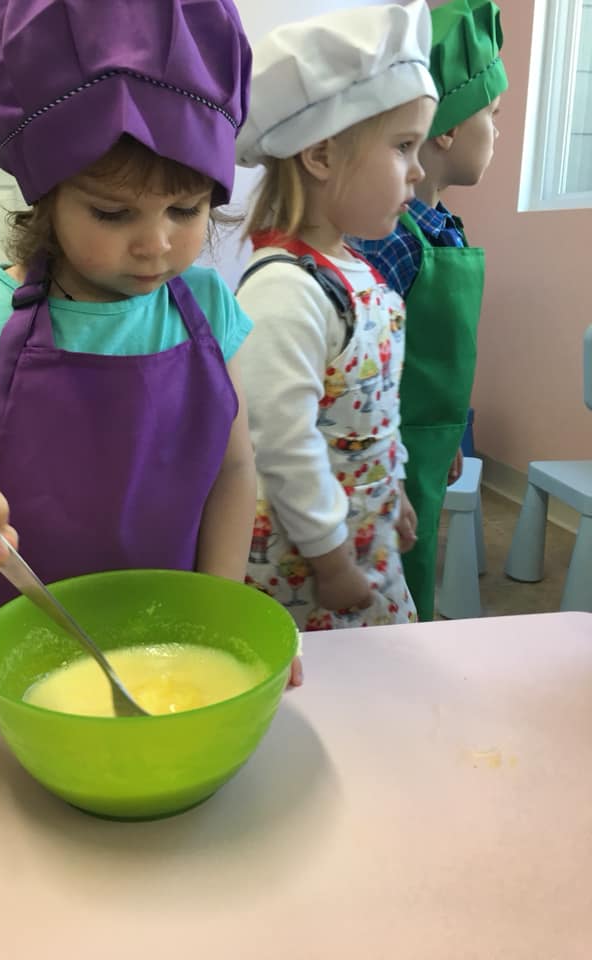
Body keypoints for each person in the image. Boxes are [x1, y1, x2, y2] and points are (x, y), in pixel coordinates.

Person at [0, 0, 257, 649]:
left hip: (177, 646)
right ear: (47, 194)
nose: (157, 244)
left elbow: (234, 472)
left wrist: (220, 611)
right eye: (113, 213)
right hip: (31, 655)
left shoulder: (210, 307)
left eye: (186, 209)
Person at [234, 0, 439, 631]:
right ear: (320, 156)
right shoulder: (285, 290)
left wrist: (393, 488)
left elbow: (373, 413)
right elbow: (283, 444)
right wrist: (330, 560)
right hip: (309, 564)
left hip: (363, 533)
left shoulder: (357, 268)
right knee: (329, 679)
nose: (419, 170)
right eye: (403, 146)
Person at [352, 0, 507, 621]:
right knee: (389, 573)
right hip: (387, 445)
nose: (498, 132)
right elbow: (366, 360)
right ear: (447, 130)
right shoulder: (391, 240)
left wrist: (452, 435)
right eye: (492, 116)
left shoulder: (441, 227)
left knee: (414, 566)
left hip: (430, 442)